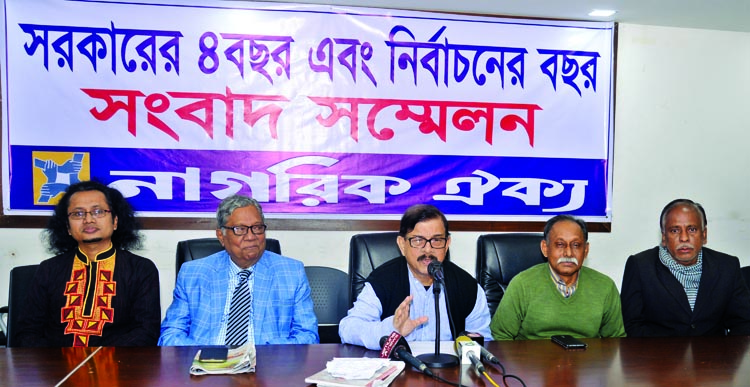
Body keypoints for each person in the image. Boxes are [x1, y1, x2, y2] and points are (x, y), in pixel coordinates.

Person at [159, 194, 318, 345]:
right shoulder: (192, 273)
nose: (251, 236)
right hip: (208, 365)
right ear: (221, 236)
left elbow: (308, 335)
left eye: (257, 227)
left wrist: (263, 354)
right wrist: (205, 356)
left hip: (267, 366)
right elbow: (170, 335)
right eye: (240, 229)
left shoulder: (292, 272)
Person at [17, 180, 161, 347]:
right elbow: (27, 331)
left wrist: (100, 360)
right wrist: (54, 364)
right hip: (56, 367)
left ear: (115, 221)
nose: (88, 219)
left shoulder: (140, 269)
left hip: (119, 366)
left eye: (98, 211)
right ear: (68, 227)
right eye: (78, 214)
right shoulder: (49, 269)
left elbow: (146, 332)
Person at [339, 204, 492, 350]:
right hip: (398, 370)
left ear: (447, 244)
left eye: (436, 240)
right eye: (418, 240)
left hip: (450, 372)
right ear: (402, 244)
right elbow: (348, 329)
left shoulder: (467, 287)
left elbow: (484, 341)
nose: (427, 249)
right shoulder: (382, 281)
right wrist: (392, 329)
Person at [620, 199, 750, 337]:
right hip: (659, 356)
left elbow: (743, 323)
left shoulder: (727, 266)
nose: (684, 238)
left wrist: (726, 355)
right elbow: (632, 326)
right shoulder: (640, 266)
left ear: (704, 234)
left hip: (714, 356)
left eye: (692, 229)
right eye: (675, 230)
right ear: (664, 237)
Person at [490, 214, 625, 340]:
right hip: (532, 364)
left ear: (586, 250)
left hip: (586, 364)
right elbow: (500, 336)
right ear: (545, 248)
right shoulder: (522, 284)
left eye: (576, 245)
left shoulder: (605, 287)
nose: (568, 253)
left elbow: (616, 342)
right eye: (560, 244)